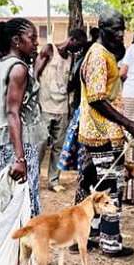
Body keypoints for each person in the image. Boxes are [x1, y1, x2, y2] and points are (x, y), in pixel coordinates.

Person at [77, 10, 134, 257]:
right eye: (114, 29)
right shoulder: (97, 56)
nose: (120, 34)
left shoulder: (104, 53)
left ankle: (90, 234)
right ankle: (110, 242)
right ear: (101, 28)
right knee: (109, 187)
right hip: (101, 131)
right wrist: (128, 124)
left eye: (122, 29)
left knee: (91, 183)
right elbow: (97, 98)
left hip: (97, 129)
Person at [0, 18, 46, 215]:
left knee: (0, 197)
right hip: (18, 142)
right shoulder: (19, 69)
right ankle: (20, 244)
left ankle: (0, 243)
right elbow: (12, 112)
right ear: (17, 41)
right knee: (23, 198)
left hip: (2, 141)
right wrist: (20, 158)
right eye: (32, 38)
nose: (36, 43)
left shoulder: (3, 64)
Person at [36, 29, 88, 192]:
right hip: (44, 106)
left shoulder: (72, 58)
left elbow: (70, 82)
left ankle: (53, 180)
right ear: (71, 39)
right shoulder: (49, 49)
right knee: (41, 143)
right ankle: (33, 176)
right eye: (77, 45)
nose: (78, 50)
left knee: (59, 145)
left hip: (62, 107)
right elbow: (35, 74)